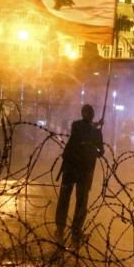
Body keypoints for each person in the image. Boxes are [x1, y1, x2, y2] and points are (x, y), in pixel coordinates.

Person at [55, 104, 104, 247]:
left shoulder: (76, 125)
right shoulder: (94, 131)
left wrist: (97, 127)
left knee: (65, 198)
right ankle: (76, 231)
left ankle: (60, 228)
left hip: (70, 168)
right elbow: (101, 151)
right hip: (84, 170)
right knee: (81, 202)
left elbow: (84, 130)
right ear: (92, 115)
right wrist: (98, 129)